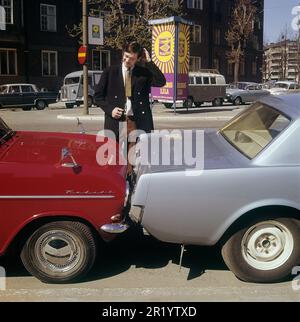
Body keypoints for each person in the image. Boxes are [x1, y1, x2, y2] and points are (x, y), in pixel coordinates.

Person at [94, 41, 166, 177]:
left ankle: (129, 184)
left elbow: (161, 81)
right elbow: (98, 96)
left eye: (132, 58)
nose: (127, 60)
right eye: (126, 56)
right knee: (113, 157)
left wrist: (149, 62)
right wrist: (110, 109)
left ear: (138, 58)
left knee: (132, 158)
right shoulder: (110, 71)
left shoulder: (143, 73)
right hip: (116, 121)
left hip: (135, 121)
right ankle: (114, 184)